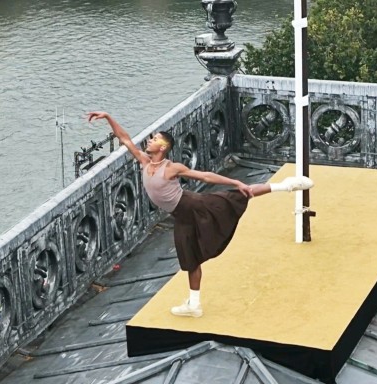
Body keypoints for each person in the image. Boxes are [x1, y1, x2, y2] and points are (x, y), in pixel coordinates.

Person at [87, 111, 314, 317]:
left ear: (163, 147)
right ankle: (194, 304)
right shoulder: (145, 162)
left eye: (155, 139)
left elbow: (205, 177)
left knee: (236, 196)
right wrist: (108, 117)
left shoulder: (171, 168)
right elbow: (125, 138)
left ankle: (286, 185)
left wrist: (235, 180)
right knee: (190, 259)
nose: (150, 140)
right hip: (181, 218)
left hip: (194, 206)